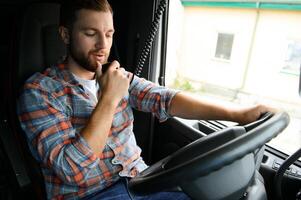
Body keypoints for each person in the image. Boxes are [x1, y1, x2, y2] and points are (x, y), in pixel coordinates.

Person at [17, 0, 274, 199]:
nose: (102, 44)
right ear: (65, 35)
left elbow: (165, 99)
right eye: (90, 33)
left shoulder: (116, 76)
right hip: (91, 195)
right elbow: (74, 171)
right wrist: (108, 99)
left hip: (143, 181)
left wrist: (240, 114)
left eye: (108, 33)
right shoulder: (39, 92)